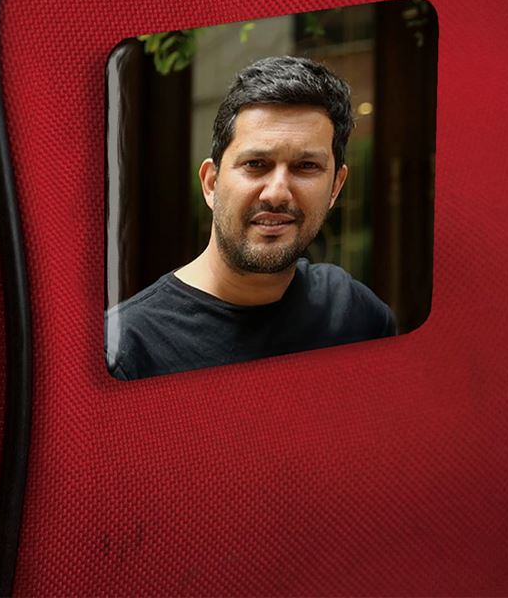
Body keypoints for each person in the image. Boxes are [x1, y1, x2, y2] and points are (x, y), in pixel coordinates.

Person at [106, 55, 396, 379]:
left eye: (306, 167)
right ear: (211, 183)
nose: (277, 193)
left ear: (335, 188)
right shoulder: (127, 352)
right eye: (256, 164)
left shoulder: (354, 315)